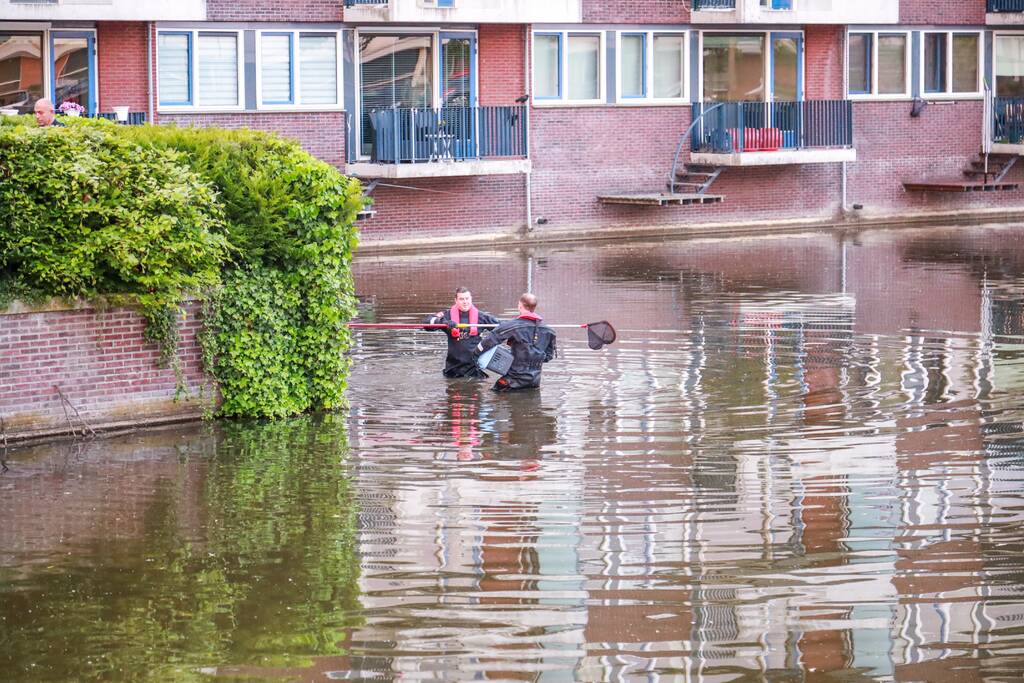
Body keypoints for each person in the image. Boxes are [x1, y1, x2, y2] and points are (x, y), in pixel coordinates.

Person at [475, 292, 556, 391]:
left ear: (520, 305)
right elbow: (548, 356)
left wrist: (476, 353)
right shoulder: (549, 331)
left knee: (493, 397)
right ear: (534, 307)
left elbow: (490, 339)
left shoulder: (513, 326)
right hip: (534, 381)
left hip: (513, 380)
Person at [424, 287, 500, 379]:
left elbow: (502, 328)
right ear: (456, 300)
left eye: (467, 298)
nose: (465, 302)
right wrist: (442, 322)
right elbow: (427, 323)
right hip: (453, 369)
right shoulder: (447, 315)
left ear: (471, 299)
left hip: (473, 368)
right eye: (461, 299)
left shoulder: (481, 317)